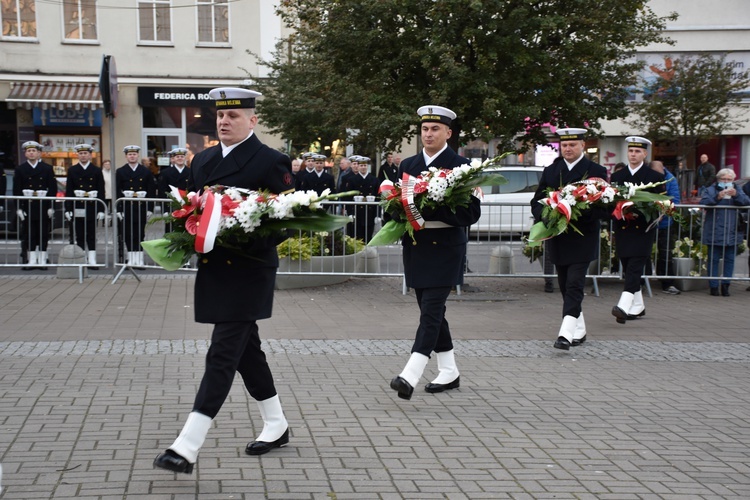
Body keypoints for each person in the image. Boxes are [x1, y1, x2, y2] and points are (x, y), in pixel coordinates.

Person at [153, 87, 295, 475]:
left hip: (250, 269)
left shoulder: (270, 161)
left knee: (221, 354)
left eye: (233, 116)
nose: (224, 121)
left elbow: (285, 221)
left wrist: (242, 231)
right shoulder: (204, 160)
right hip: (216, 269)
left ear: (253, 120)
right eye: (220, 115)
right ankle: (276, 424)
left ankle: (187, 444)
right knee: (247, 353)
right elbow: (193, 210)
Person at [389, 105, 481, 400]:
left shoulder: (462, 167)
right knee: (432, 312)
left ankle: (409, 374)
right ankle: (449, 371)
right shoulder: (409, 165)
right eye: (425, 129)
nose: (428, 134)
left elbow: (471, 213)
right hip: (417, 249)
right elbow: (399, 205)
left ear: (448, 133)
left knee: (430, 312)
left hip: (445, 249)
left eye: (435, 129)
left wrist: (432, 207)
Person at [530, 128, 609, 350]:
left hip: (583, 237)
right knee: (565, 285)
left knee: (575, 283)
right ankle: (580, 329)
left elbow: (605, 206)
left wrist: (579, 213)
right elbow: (537, 200)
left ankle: (565, 333)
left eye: (573, 145)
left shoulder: (596, 170)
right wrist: (547, 215)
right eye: (564, 145)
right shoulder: (552, 170)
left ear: (583, 145)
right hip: (559, 236)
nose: (568, 149)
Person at [610, 136, 665, 324]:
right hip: (624, 228)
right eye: (631, 151)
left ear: (645, 154)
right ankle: (638, 306)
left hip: (643, 230)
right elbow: (612, 201)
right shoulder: (617, 176)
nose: (633, 154)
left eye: (637, 151)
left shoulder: (654, 177)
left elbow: (661, 204)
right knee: (627, 266)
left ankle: (624, 305)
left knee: (634, 266)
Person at [700, 168, 750, 296]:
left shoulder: (737, 189)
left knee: (730, 259)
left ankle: (726, 285)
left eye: (729, 179)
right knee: (713, 259)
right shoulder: (711, 189)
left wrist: (736, 195)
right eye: (724, 179)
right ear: (718, 179)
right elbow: (704, 202)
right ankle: (713, 286)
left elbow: (746, 201)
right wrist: (717, 197)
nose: (726, 182)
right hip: (714, 229)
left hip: (732, 230)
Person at [14, 141, 57, 270]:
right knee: (29, 233)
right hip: (28, 206)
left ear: (39, 153)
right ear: (25, 153)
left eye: (34, 151)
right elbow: (17, 189)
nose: (31, 153)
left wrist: (50, 206)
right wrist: (19, 208)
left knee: (43, 233)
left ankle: (42, 258)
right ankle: (32, 259)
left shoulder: (47, 168)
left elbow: (52, 188)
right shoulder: (20, 169)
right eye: (29, 151)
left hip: (43, 206)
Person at [65, 144, 106, 268]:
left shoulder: (96, 170)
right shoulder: (72, 170)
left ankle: (92, 259)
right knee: (80, 233)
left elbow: (100, 190)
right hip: (78, 205)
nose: (83, 156)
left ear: (90, 155)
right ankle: (81, 258)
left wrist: (101, 209)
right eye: (81, 153)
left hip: (92, 205)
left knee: (91, 233)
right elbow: (69, 191)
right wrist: (68, 209)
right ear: (77, 155)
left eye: (85, 153)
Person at [115, 145, 156, 267]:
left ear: (138, 155)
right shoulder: (121, 171)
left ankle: (139, 259)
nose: (132, 156)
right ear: (126, 156)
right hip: (127, 207)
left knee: (139, 233)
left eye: (134, 154)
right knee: (128, 233)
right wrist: (119, 209)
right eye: (129, 154)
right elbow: (117, 190)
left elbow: (151, 191)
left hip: (141, 207)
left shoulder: (145, 171)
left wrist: (150, 208)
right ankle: (131, 258)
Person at [649, 160, 681, 295]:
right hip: (649, 222)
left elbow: (676, 199)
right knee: (644, 253)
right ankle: (643, 281)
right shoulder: (647, 176)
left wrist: (663, 210)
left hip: (665, 221)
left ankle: (667, 283)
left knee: (666, 253)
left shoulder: (670, 179)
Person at [342, 155, 379, 242]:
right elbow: (348, 197)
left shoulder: (374, 180)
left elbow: (378, 197)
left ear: (367, 166)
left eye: (365, 165)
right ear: (357, 167)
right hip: (357, 211)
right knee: (357, 235)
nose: (363, 167)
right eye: (361, 165)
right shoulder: (352, 180)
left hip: (370, 211)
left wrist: (377, 214)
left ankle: (367, 253)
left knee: (368, 235)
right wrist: (350, 212)